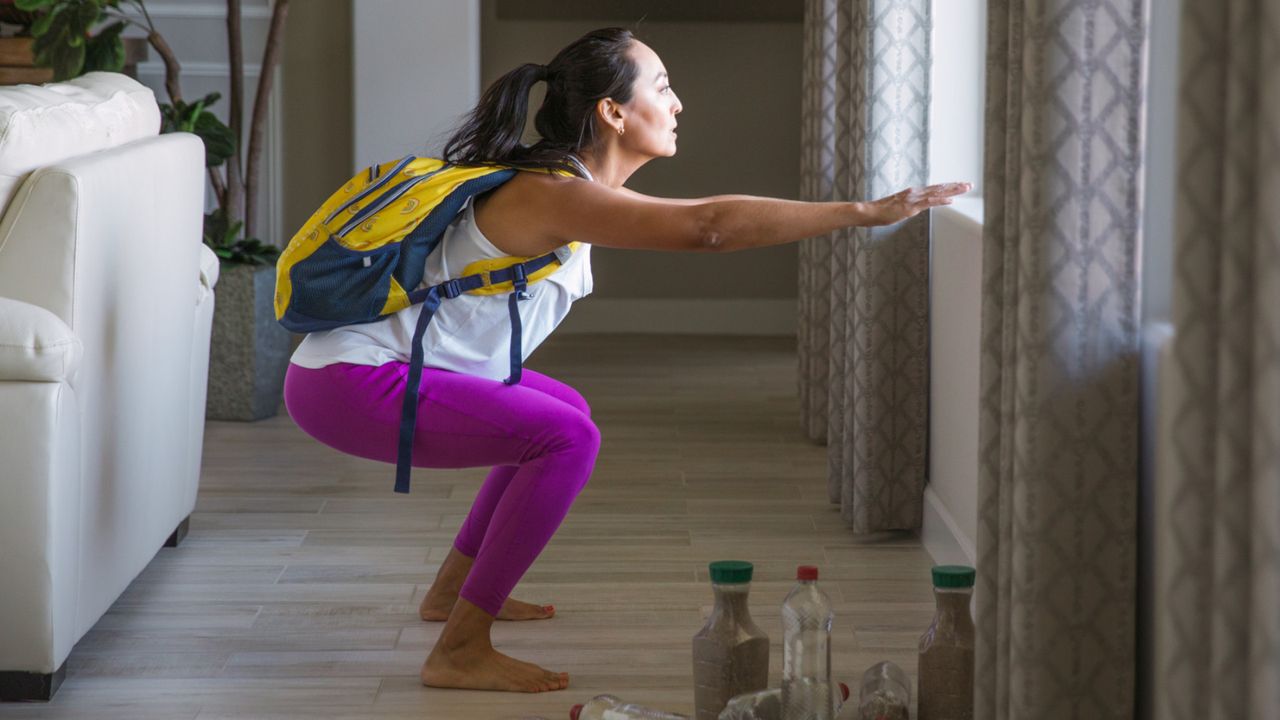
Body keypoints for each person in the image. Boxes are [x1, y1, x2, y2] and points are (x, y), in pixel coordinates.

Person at [282, 27, 969, 694]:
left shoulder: (568, 187)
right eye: (662, 86)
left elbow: (698, 214)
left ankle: (452, 594)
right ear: (612, 111)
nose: (677, 104)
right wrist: (861, 211)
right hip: (350, 382)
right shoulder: (552, 193)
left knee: (563, 412)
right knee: (567, 438)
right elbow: (708, 227)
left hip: (366, 373)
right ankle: (459, 648)